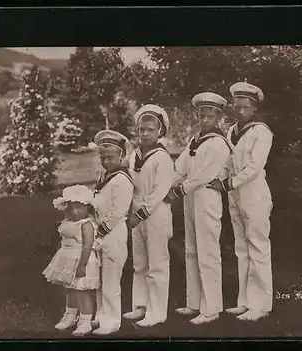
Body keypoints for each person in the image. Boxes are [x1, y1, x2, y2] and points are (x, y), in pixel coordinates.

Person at [208, 81, 274, 322]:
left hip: (254, 194)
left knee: (257, 245)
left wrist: (227, 184)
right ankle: (244, 301)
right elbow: (227, 163)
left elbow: (254, 167)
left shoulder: (262, 131)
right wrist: (218, 179)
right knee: (241, 247)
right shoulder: (230, 131)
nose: (240, 111)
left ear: (254, 107)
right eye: (237, 107)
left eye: (245, 107)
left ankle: (261, 305)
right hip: (235, 195)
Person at [165, 92, 233, 325]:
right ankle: (194, 302)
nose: (205, 119)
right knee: (191, 249)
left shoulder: (219, 143)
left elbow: (205, 174)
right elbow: (180, 165)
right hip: (190, 198)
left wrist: (180, 188)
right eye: (201, 115)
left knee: (208, 251)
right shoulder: (195, 140)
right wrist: (172, 182)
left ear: (219, 117)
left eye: (210, 115)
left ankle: (212, 308)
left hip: (207, 197)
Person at [122, 104, 174, 328]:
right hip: (136, 214)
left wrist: (139, 214)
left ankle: (157, 311)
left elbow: (159, 193)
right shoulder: (134, 155)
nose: (144, 134)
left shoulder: (162, 158)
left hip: (155, 215)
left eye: (150, 130)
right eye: (141, 129)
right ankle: (140, 305)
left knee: (157, 264)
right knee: (140, 263)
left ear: (160, 132)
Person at [90, 129, 135, 335]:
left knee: (111, 280)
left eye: (111, 157)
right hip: (101, 233)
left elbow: (118, 212)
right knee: (100, 279)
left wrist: (99, 231)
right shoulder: (105, 176)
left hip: (113, 234)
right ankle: (101, 315)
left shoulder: (122, 179)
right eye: (103, 157)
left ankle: (112, 320)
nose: (106, 161)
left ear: (121, 156)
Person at [42, 184, 102, 336]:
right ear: (66, 208)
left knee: (82, 291)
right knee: (70, 289)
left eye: (79, 208)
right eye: (71, 207)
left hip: (82, 260)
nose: (75, 211)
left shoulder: (86, 224)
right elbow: (63, 241)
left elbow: (88, 246)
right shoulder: (67, 221)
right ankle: (70, 315)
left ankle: (85, 320)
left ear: (87, 208)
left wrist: (82, 265)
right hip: (68, 258)